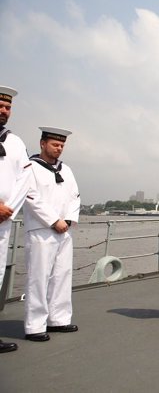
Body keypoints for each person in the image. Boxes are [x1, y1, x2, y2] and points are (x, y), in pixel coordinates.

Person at [22, 127, 80, 342]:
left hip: (64, 230)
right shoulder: (30, 167)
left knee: (62, 275)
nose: (59, 149)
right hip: (41, 230)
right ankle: (35, 325)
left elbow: (75, 196)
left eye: (62, 145)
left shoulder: (67, 170)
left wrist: (68, 219)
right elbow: (30, 197)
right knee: (38, 277)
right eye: (55, 144)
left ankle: (59, 319)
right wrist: (54, 220)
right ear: (42, 143)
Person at [0, 86, 31, 353]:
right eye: (0, 105)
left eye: (7, 107)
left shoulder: (15, 143)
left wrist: (8, 208)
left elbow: (24, 180)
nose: (3, 110)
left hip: (3, 221)